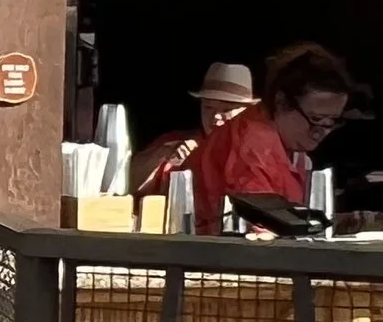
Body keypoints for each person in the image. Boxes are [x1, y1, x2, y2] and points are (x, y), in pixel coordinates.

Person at [190, 42, 357, 233]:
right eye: (316, 118)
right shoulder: (254, 145)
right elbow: (260, 231)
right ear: (281, 101)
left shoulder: (293, 148)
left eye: (332, 120)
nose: (323, 131)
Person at [132, 60, 256, 198]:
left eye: (226, 110)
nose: (215, 116)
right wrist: (161, 157)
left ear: (246, 112)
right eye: (208, 107)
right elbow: (126, 186)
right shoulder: (173, 143)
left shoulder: (261, 155)